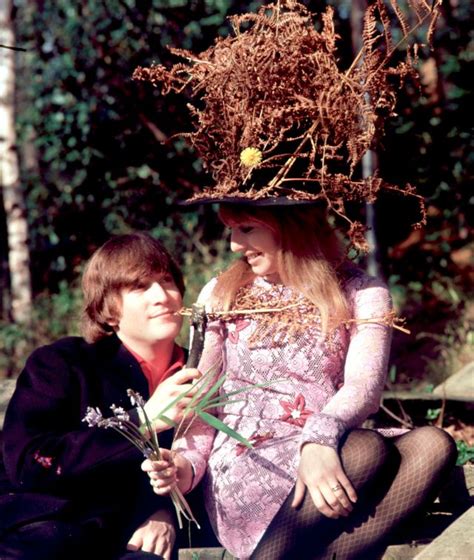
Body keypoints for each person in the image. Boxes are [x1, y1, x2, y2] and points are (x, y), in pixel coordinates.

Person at [134, 1, 457, 559]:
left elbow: (361, 389)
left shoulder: (362, 291)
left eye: (249, 228)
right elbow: (204, 402)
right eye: (231, 229)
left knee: (431, 443)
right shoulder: (222, 294)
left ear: (296, 226)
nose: (234, 245)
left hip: (327, 447)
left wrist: (316, 439)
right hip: (250, 465)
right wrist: (183, 465)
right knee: (370, 454)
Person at [0, 232, 200, 560]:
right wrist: (143, 422)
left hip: (136, 547)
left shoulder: (202, 372)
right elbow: (28, 462)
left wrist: (162, 511)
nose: (161, 295)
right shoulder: (63, 364)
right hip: (45, 538)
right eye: (140, 286)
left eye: (167, 281)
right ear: (109, 310)